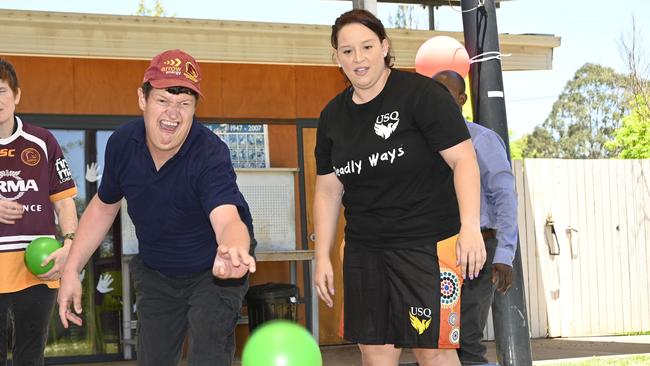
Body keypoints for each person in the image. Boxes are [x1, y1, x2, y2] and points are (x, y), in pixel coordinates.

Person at [57, 49, 257, 366]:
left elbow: (227, 217)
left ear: (194, 110)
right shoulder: (123, 144)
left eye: (184, 104)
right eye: (163, 100)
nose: (173, 113)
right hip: (157, 269)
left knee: (208, 352)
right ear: (143, 99)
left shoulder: (209, 153)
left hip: (214, 269)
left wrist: (234, 249)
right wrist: (71, 270)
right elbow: (103, 207)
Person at [313, 9, 486, 366]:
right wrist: (322, 258)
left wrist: (470, 227)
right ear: (336, 57)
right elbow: (329, 190)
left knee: (432, 349)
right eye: (347, 51)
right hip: (364, 249)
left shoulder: (423, 96)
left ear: (384, 46)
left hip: (426, 245)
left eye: (366, 46)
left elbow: (464, 161)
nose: (358, 58)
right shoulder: (332, 117)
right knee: (374, 350)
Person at [433, 70, 518, 365]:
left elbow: (505, 196)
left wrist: (505, 254)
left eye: (445, 92)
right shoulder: (423, 142)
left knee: (466, 342)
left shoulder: (482, 141)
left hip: (477, 254)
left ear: (461, 98)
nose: (437, 99)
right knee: (437, 342)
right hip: (436, 255)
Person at [0, 58, 78, 366]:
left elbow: (64, 202)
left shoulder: (43, 141)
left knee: (30, 358)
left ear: (17, 95)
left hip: (37, 268)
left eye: (2, 91)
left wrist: (69, 245)